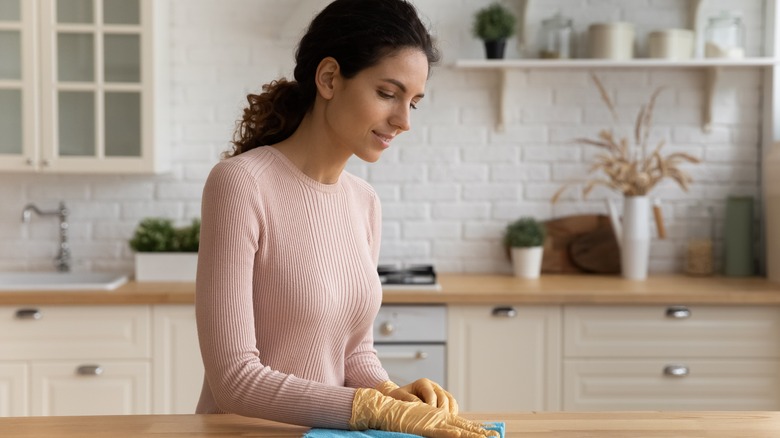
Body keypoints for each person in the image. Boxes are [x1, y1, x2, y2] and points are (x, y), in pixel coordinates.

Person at [195, 0, 497, 437]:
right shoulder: (240, 184)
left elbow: (353, 354)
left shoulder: (364, 201)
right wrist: (374, 408)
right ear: (330, 78)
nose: (403, 120)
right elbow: (234, 379)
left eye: (414, 102)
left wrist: (392, 394)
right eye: (388, 94)